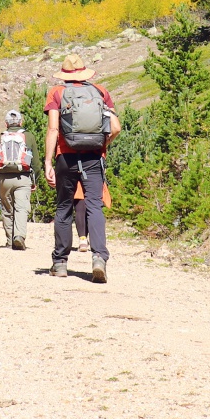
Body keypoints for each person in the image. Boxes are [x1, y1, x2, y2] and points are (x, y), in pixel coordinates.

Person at [45, 54, 120, 282]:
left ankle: (60, 263)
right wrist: (101, 145)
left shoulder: (56, 93)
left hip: (65, 157)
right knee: (94, 206)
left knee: (64, 207)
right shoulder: (100, 91)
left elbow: (53, 130)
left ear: (64, 74)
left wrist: (48, 161)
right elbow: (115, 127)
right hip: (93, 157)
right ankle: (99, 258)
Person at [0, 110, 34, 250]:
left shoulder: (1, 137)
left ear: (6, 124)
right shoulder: (28, 136)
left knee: (7, 209)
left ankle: (10, 240)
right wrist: (35, 181)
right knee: (21, 208)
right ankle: (19, 236)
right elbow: (36, 162)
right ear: (21, 122)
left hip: (4, 178)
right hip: (23, 177)